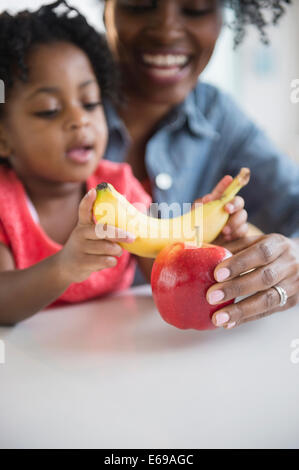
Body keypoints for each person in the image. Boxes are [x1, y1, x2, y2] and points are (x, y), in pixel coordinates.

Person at [0, 1, 247, 325]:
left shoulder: (118, 188)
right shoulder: (6, 206)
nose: (80, 121)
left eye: (90, 103)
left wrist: (206, 239)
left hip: (114, 356)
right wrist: (65, 266)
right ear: (3, 136)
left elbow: (162, 267)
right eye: (49, 110)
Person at [101, 0, 299, 329]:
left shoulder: (220, 116)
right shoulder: (50, 110)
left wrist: (293, 257)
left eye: (196, 9)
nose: (167, 31)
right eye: (138, 5)